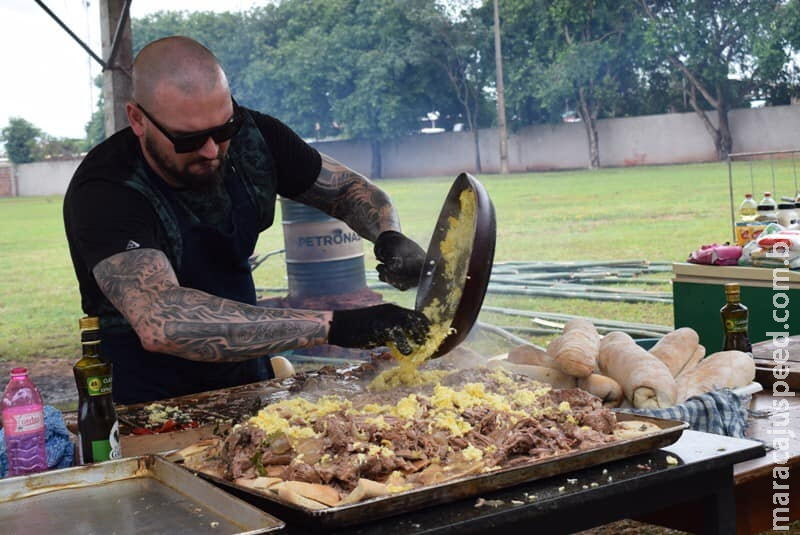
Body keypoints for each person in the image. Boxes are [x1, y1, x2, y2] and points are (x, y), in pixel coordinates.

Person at [63, 36, 430, 405]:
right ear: (138, 119)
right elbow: (163, 321)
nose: (212, 150)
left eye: (223, 130)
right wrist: (337, 326)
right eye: (188, 139)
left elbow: (346, 189)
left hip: (245, 373)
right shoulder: (106, 189)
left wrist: (388, 234)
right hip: (147, 397)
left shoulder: (253, 136)